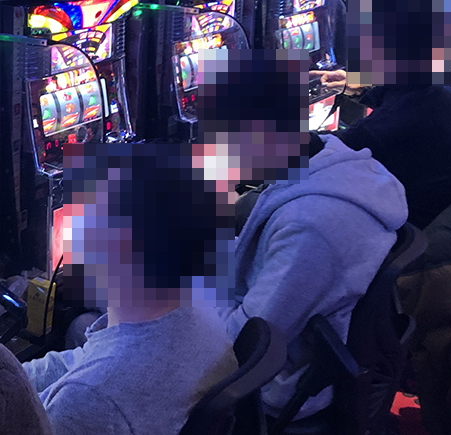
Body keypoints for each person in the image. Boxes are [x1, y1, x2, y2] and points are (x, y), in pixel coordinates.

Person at [21, 142, 238, 435]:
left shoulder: (87, 400)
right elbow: (81, 358)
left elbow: (85, 390)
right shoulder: (196, 310)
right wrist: (11, 376)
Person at [222, 130, 408, 423]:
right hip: (281, 333)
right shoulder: (338, 162)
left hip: (271, 385)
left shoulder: (310, 227)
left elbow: (246, 345)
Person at [313, 69, 451, 229]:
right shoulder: (445, 94)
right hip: (447, 214)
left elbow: (319, 150)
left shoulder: (385, 127)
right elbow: (399, 96)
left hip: (408, 229)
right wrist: (361, 89)